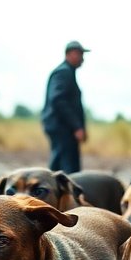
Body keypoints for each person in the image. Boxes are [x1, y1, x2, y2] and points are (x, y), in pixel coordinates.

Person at [41, 40, 89, 173]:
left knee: (59, 164)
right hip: (62, 127)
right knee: (68, 167)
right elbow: (58, 100)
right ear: (70, 54)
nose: (82, 59)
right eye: (80, 54)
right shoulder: (63, 72)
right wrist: (76, 126)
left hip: (62, 126)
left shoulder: (67, 72)